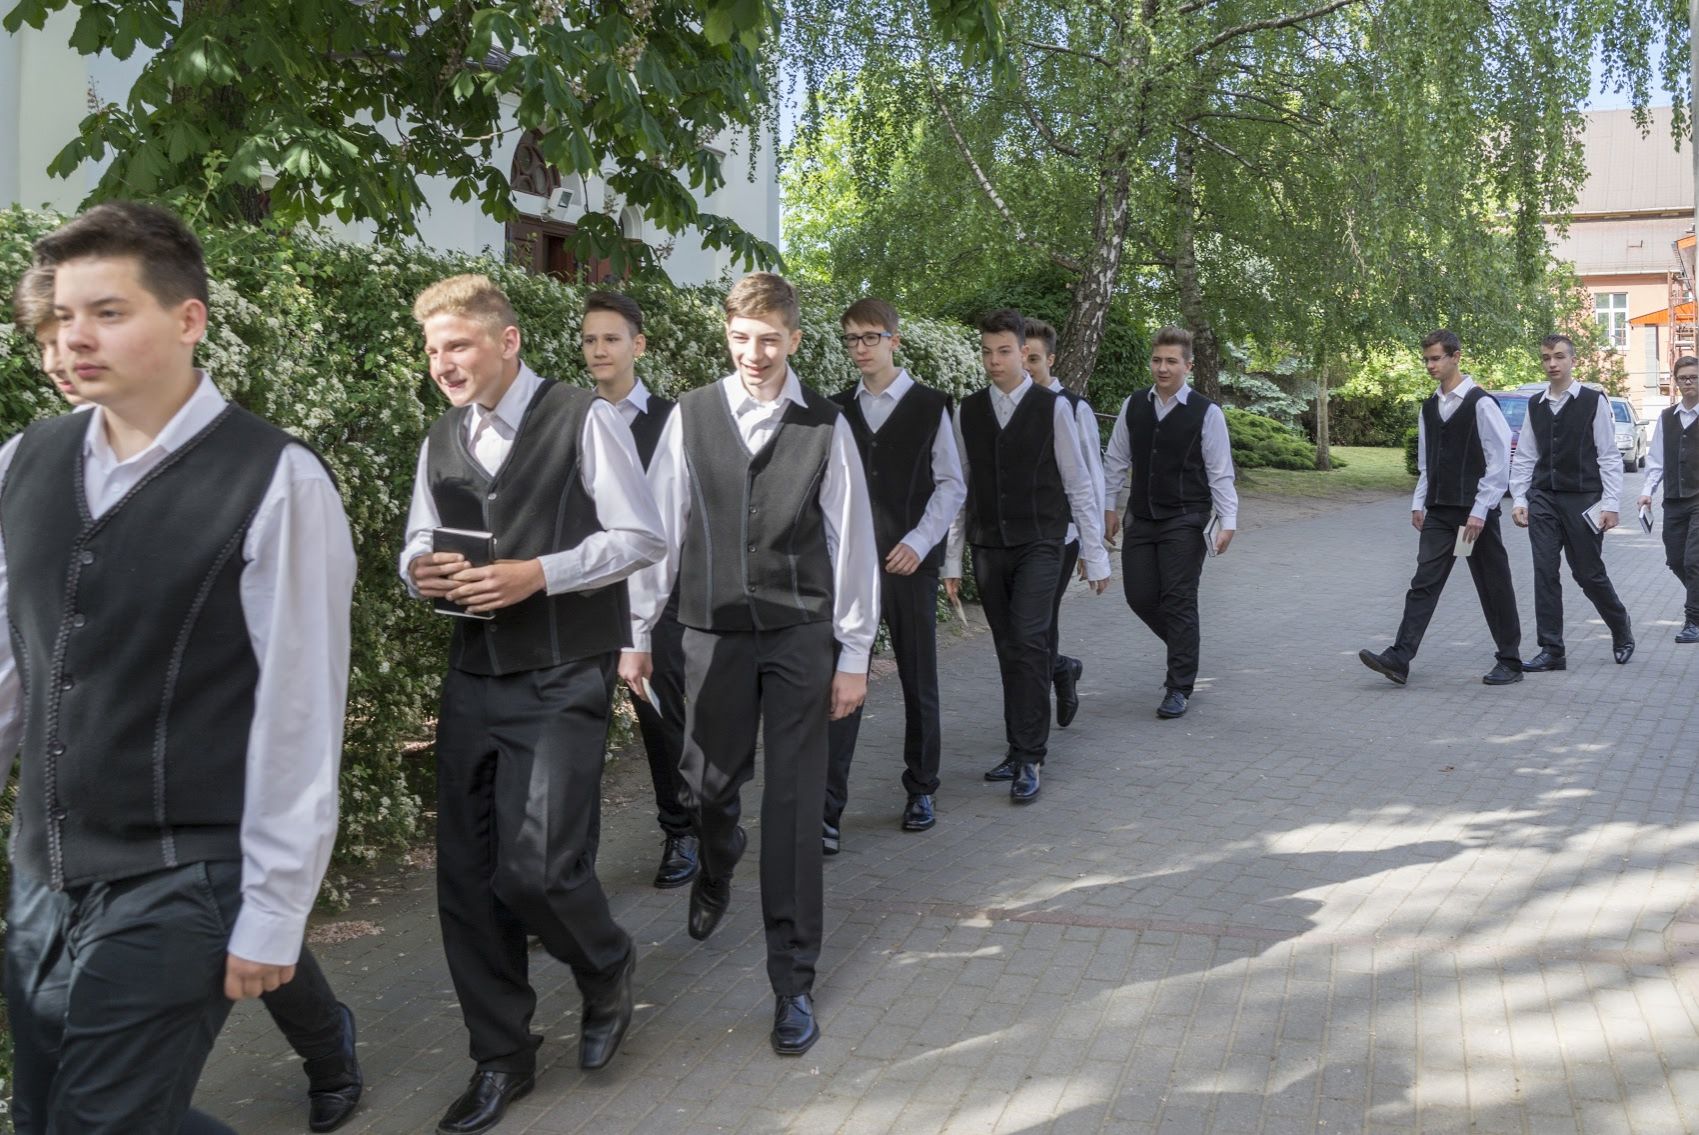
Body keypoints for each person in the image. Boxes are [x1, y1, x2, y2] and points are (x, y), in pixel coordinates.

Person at [0, 201, 355, 1135]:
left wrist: (275, 909)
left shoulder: (278, 479)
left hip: (183, 871)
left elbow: (299, 712)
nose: (76, 336)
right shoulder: (24, 460)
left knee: (98, 1122)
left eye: (108, 312)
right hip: (44, 869)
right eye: (64, 315)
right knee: (41, 1115)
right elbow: (12, 665)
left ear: (189, 319)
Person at [399, 275, 664, 1134]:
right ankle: (501, 1056)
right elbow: (418, 535)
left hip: (561, 671)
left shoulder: (582, 418)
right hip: (472, 673)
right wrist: (418, 569)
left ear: (506, 341)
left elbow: (640, 535)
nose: (442, 363)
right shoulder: (442, 434)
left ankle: (606, 961)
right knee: (467, 879)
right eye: (433, 349)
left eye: (458, 345)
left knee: (537, 868)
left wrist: (538, 573)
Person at [621, 272, 878, 1058]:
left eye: (769, 339)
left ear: (793, 339)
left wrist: (854, 653)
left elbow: (851, 541)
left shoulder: (825, 425)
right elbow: (659, 529)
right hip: (710, 629)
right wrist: (635, 631)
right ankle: (716, 851)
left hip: (800, 633)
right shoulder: (691, 415)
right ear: (726, 336)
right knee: (705, 780)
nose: (754, 353)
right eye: (740, 338)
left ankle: (791, 980)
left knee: (794, 806)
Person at [943, 309, 1110, 805]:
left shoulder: (1053, 408)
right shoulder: (968, 411)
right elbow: (958, 489)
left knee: (1030, 640)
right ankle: (1017, 747)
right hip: (988, 545)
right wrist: (951, 560)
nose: (995, 361)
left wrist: (1096, 554)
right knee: (1007, 647)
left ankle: (1031, 755)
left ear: (1022, 352)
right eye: (987, 352)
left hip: (1042, 542)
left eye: (1004, 351)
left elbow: (1079, 483)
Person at [824, 297, 966, 846]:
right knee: (842, 679)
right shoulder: (837, 410)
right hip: (850, 568)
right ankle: (827, 809)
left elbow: (951, 484)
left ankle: (922, 787)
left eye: (871, 337)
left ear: (894, 341)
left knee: (917, 676)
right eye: (852, 339)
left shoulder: (930, 406)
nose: (861, 348)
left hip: (910, 563)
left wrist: (919, 541)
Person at [581, 289, 698, 890]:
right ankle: (570, 865)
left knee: (663, 721)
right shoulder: (571, 419)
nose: (599, 350)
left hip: (662, 600)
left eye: (611, 338)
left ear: (639, 345)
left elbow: (676, 524)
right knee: (577, 730)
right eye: (590, 339)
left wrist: (647, 621)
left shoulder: (673, 420)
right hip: (587, 599)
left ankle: (683, 830)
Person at [1360, 329, 1523, 686]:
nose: (1430, 365)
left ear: (1455, 356)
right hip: (1439, 513)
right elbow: (1426, 462)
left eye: (1436, 358)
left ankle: (1510, 661)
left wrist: (1480, 511)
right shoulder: (1429, 407)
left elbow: (1499, 463)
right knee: (1424, 582)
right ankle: (1400, 658)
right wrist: (1418, 502)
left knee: (1491, 584)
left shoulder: (1481, 403)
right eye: (1427, 360)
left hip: (1471, 516)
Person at [1101, 326, 1237, 719]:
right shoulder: (1134, 405)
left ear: (1187, 366)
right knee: (1140, 597)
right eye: (1157, 360)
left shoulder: (1207, 413)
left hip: (1186, 518)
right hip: (1141, 517)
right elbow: (1115, 460)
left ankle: (1178, 685)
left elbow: (1220, 471)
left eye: (1171, 361)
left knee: (1179, 600)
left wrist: (1228, 520)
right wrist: (1108, 507)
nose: (1162, 368)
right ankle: (1185, 647)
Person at [1508, 334, 1633, 668]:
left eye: (1559, 357)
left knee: (1588, 574)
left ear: (1573, 361)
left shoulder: (1593, 401)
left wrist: (1611, 504)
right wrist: (1519, 497)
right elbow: (1525, 455)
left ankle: (1620, 626)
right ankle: (1552, 649)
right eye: (1546, 357)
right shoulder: (1535, 405)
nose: (1552, 363)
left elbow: (1608, 456)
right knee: (1545, 571)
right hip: (1543, 498)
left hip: (1583, 500)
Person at [1024, 318, 1105, 728]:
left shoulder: (1073, 409)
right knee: (1024, 629)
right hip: (1014, 536)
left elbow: (1090, 478)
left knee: (1040, 622)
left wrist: (1093, 548)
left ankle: (1030, 728)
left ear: (1051, 360)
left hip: (1061, 535)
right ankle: (1061, 668)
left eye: (1034, 359)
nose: (1025, 368)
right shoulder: (1004, 407)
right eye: (1019, 358)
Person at [1638, 355, 1699, 643]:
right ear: (1676, 382)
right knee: (1675, 559)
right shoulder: (1666, 417)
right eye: (1683, 378)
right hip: (1674, 499)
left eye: (1693, 377)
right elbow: (1656, 460)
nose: (1688, 382)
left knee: (1693, 560)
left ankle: (1694, 621)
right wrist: (1647, 492)